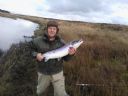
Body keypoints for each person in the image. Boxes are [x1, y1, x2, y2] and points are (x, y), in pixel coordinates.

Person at [31, 20, 76, 96]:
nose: (52, 30)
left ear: (56, 31)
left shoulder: (62, 43)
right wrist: (36, 54)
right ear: (46, 29)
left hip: (57, 72)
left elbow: (66, 59)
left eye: (54, 29)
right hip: (43, 72)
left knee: (60, 94)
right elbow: (30, 50)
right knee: (40, 92)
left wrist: (71, 54)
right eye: (50, 28)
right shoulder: (37, 41)